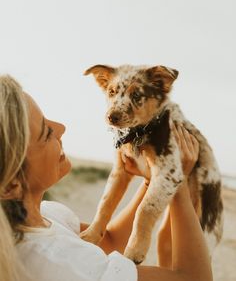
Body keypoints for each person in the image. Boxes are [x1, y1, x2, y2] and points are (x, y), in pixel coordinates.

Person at [0, 75, 213, 281]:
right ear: (11, 185)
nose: (61, 128)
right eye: (46, 133)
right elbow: (195, 278)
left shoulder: (41, 217)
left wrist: (152, 180)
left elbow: (109, 240)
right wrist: (176, 178)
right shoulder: (60, 263)